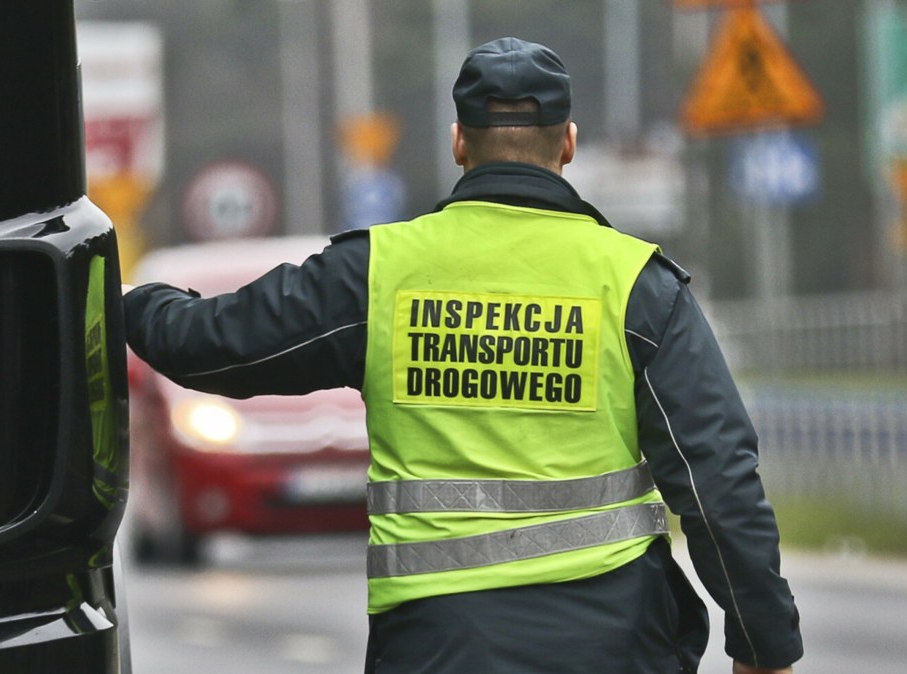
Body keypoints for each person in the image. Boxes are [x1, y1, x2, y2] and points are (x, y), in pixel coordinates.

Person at [123, 37, 803, 674]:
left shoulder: (379, 274)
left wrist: (116, 291)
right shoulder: (636, 286)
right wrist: (762, 642)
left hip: (439, 643)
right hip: (616, 640)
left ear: (458, 143)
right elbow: (717, 478)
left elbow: (208, 345)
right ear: (568, 144)